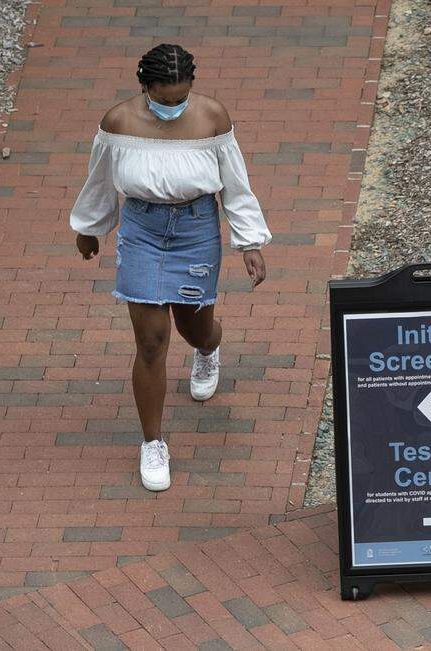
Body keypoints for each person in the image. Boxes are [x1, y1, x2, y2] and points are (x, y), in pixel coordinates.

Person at [69, 44, 271, 492]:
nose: (173, 106)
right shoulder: (117, 122)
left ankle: (207, 349)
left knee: (194, 328)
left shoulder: (214, 118)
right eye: (164, 99)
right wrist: (89, 228)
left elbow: (236, 186)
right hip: (141, 230)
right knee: (150, 341)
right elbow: (100, 180)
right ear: (146, 87)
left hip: (196, 229)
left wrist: (250, 241)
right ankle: (152, 442)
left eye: (181, 98)